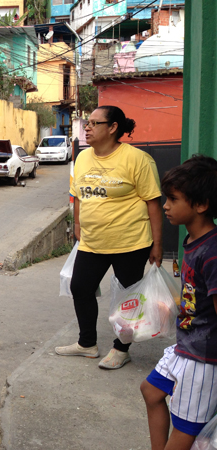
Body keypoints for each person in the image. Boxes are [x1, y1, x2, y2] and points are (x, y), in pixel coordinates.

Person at [55, 105, 163, 370]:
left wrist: (158, 244)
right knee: (80, 287)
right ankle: (87, 344)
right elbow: (78, 195)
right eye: (87, 123)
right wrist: (77, 226)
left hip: (131, 243)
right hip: (92, 242)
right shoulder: (82, 157)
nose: (87, 128)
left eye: (94, 123)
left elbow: (153, 202)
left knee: (128, 298)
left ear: (113, 128)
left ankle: (121, 348)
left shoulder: (138, 159)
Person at [141, 155, 217, 450]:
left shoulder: (212, 252)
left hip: (203, 358)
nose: (165, 206)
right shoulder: (193, 240)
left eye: (173, 199)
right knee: (151, 391)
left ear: (200, 205)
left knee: (184, 431)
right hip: (187, 344)